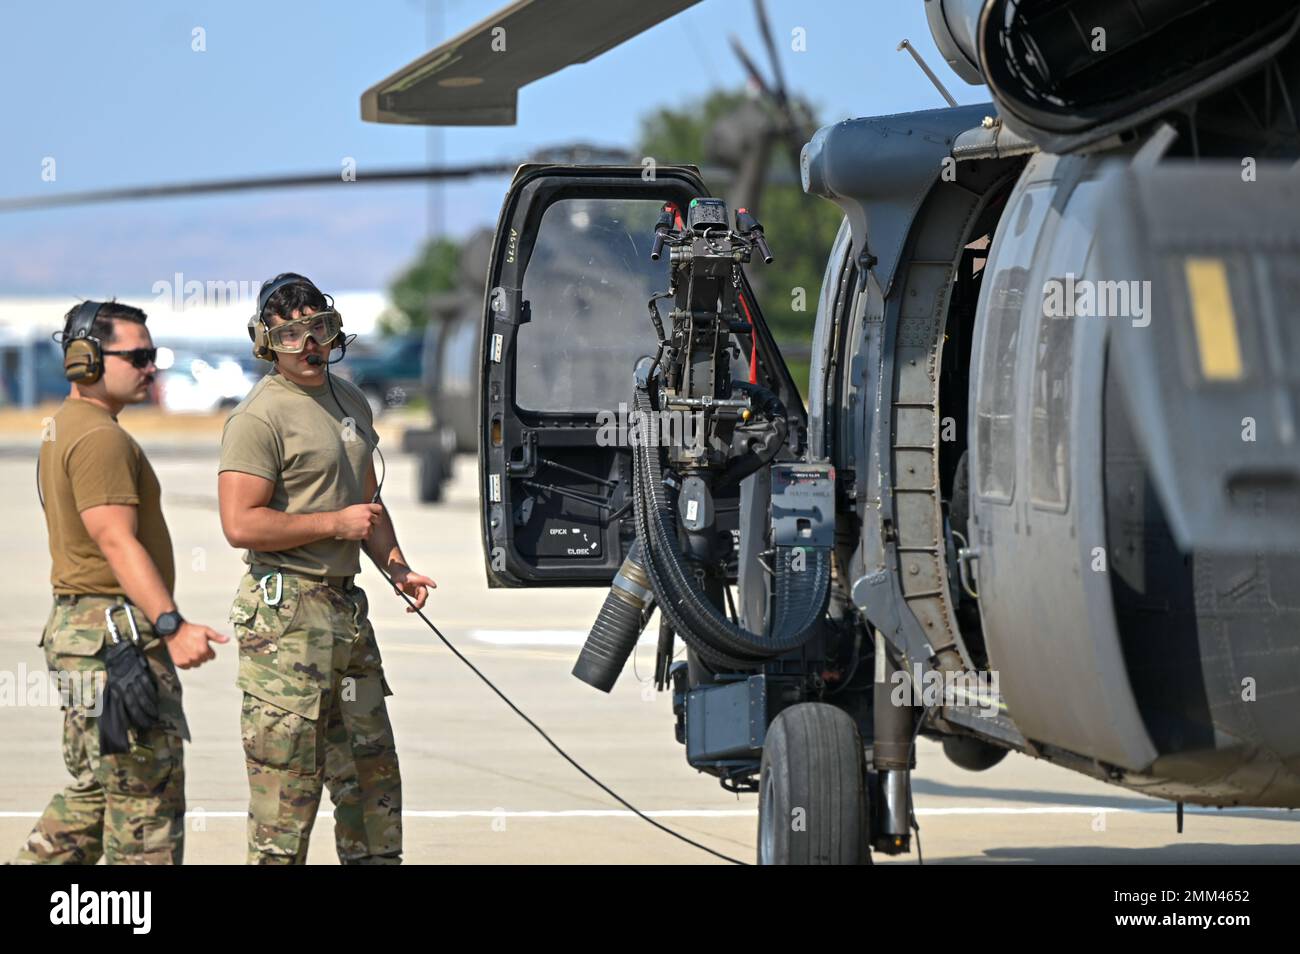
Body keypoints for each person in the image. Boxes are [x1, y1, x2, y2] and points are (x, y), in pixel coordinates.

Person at [218, 274, 435, 864]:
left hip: (345, 612)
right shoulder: (258, 419)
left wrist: (397, 567)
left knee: (371, 781)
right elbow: (241, 523)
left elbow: (367, 502)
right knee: (287, 797)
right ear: (268, 342)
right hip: (285, 620)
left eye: (320, 328)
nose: (310, 344)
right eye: (291, 334)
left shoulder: (349, 400)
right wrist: (331, 526)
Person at [14, 300, 228, 865]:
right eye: (137, 356)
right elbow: (115, 539)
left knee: (98, 796)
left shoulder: (69, 426)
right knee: (144, 809)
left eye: (151, 355)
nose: (150, 367)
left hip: (89, 635)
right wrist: (171, 624)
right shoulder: (100, 439)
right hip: (115, 642)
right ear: (86, 360)